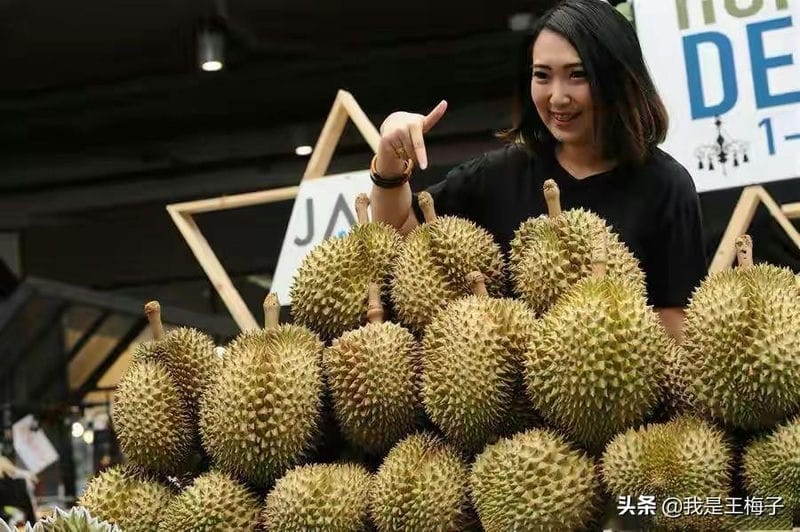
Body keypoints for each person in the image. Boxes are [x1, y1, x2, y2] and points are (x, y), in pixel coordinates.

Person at [369, 0, 707, 342]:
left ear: (617, 78)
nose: (557, 97)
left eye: (577, 75)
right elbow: (396, 234)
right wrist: (389, 157)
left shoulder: (665, 185)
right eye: (542, 76)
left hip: (618, 388)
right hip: (507, 393)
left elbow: (674, 317)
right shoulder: (498, 175)